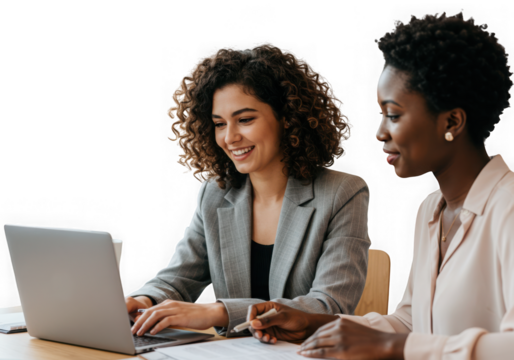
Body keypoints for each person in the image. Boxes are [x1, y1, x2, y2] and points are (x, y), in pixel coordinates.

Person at [245, 9, 514, 360]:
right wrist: (315, 324)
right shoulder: (432, 209)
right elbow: (410, 322)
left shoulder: (508, 206)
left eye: (394, 114)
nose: (379, 132)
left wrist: (391, 347)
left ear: (452, 120)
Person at [126, 41, 373, 337]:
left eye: (245, 120)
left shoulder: (342, 192)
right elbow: (178, 277)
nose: (230, 137)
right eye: (219, 124)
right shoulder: (214, 194)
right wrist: (143, 299)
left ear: (286, 117)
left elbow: (330, 305)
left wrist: (220, 312)